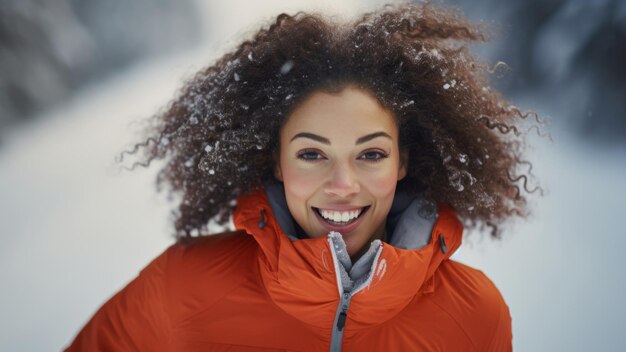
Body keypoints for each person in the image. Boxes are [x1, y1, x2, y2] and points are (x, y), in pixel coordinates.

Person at [66, 3, 539, 351]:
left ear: (403, 161)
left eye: (370, 153)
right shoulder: (180, 287)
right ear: (276, 161)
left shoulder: (475, 314)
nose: (342, 184)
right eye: (312, 153)